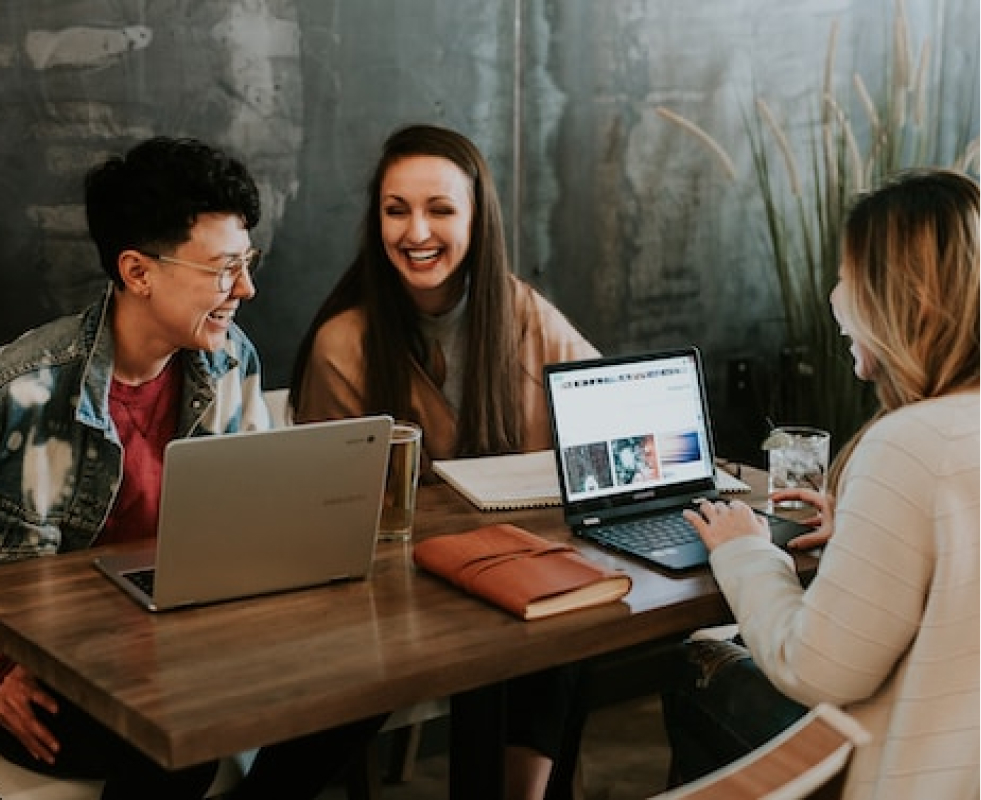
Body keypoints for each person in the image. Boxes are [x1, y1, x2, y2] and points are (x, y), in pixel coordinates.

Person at [0, 136, 381, 800]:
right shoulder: (24, 388)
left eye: (247, 262)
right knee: (185, 727)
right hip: (52, 675)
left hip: (187, 644)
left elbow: (259, 527)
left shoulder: (229, 360)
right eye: (223, 268)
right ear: (138, 272)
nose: (247, 288)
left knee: (368, 681)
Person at [289, 123, 599, 800]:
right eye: (396, 210)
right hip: (395, 597)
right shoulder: (346, 342)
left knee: (567, 621)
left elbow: (601, 407)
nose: (415, 231)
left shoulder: (517, 309)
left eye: (439, 209)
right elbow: (331, 512)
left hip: (513, 574)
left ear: (476, 219)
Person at [660, 168, 979, 799]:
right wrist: (867, 526)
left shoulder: (909, 443)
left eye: (848, 275)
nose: (835, 294)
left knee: (695, 663)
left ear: (901, 298)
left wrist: (745, 551)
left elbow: (819, 670)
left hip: (919, 777)